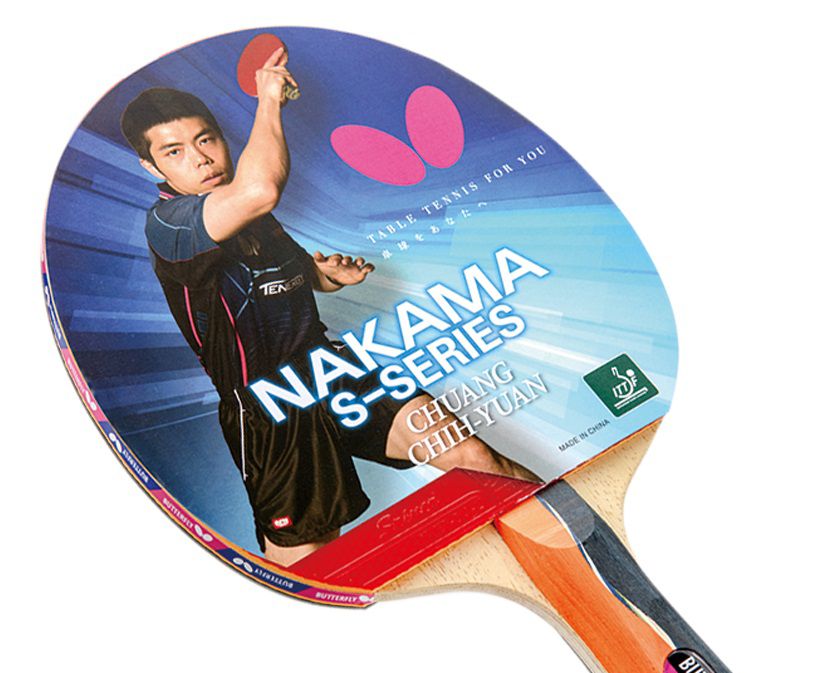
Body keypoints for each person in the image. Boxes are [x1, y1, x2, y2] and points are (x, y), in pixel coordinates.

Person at [120, 47, 536, 567]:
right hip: (272, 406)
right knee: (313, 562)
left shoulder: (249, 215)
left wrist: (327, 277)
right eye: (174, 151)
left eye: (206, 139)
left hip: (331, 370)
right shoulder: (172, 223)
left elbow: (290, 276)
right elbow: (260, 189)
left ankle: (578, 541)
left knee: (472, 455)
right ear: (150, 166)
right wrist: (269, 99)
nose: (201, 158)